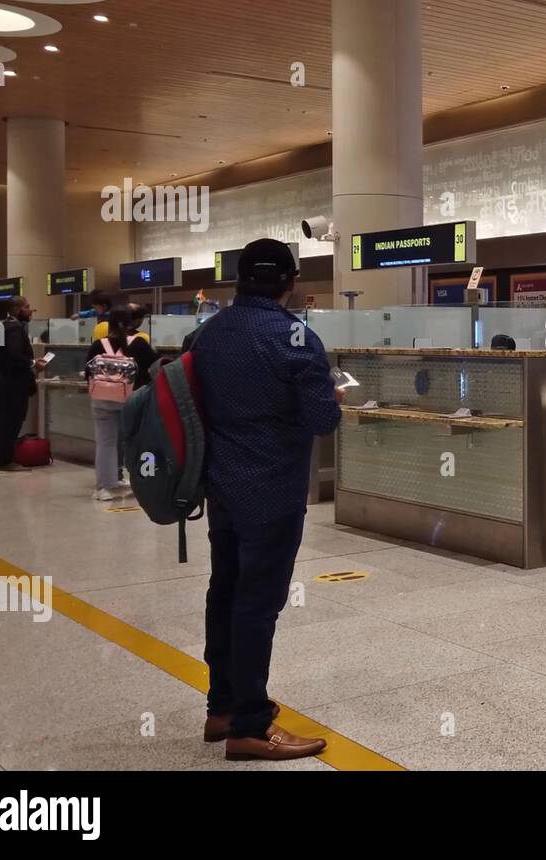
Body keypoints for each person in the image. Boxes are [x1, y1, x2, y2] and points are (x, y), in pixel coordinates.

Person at [186, 238, 343, 761]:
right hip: (273, 489)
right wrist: (328, 396)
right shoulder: (296, 337)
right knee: (257, 603)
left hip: (221, 488)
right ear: (290, 284)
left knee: (224, 592)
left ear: (238, 280)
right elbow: (322, 420)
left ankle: (222, 708)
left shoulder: (207, 334)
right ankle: (250, 727)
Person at [83, 306, 159, 501]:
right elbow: (156, 367)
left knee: (105, 443)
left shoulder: (99, 344)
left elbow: (87, 371)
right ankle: (141, 481)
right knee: (136, 442)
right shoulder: (139, 344)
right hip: (131, 400)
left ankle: (105, 487)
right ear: (130, 323)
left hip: (101, 400)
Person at [0, 296, 38, 473]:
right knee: (12, 422)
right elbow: (14, 355)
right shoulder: (15, 328)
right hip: (14, 385)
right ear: (17, 309)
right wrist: (32, 363)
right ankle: (6, 460)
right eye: (27, 307)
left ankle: (1, 458)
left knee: (2, 423)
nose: (30, 310)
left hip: (1, 383)